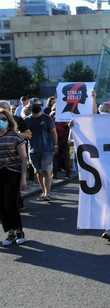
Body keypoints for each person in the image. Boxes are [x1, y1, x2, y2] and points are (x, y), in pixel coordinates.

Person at [0, 108, 28, 246]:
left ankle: (19, 230)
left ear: (9, 121)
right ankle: (9, 232)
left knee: (9, 204)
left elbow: (23, 158)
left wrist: (23, 178)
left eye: (4, 119)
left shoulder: (16, 136)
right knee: (1, 206)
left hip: (12, 173)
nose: (1, 122)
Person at [24, 98, 58, 201]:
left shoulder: (47, 118)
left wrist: (55, 145)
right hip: (33, 150)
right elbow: (23, 134)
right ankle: (43, 192)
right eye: (34, 105)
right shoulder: (26, 120)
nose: (36, 106)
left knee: (46, 170)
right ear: (30, 107)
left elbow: (53, 132)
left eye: (38, 104)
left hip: (46, 149)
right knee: (39, 172)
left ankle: (47, 193)